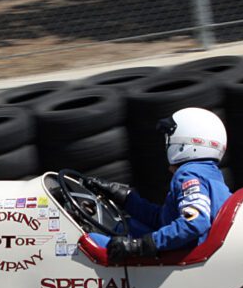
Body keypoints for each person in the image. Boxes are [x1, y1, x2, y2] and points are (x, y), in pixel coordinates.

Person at [85, 106, 232, 264]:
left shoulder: (189, 174)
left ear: (184, 143)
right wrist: (126, 197)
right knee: (128, 224)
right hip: (188, 250)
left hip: (184, 257)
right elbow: (164, 220)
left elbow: (195, 223)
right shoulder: (211, 174)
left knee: (87, 242)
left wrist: (141, 245)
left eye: (169, 139)